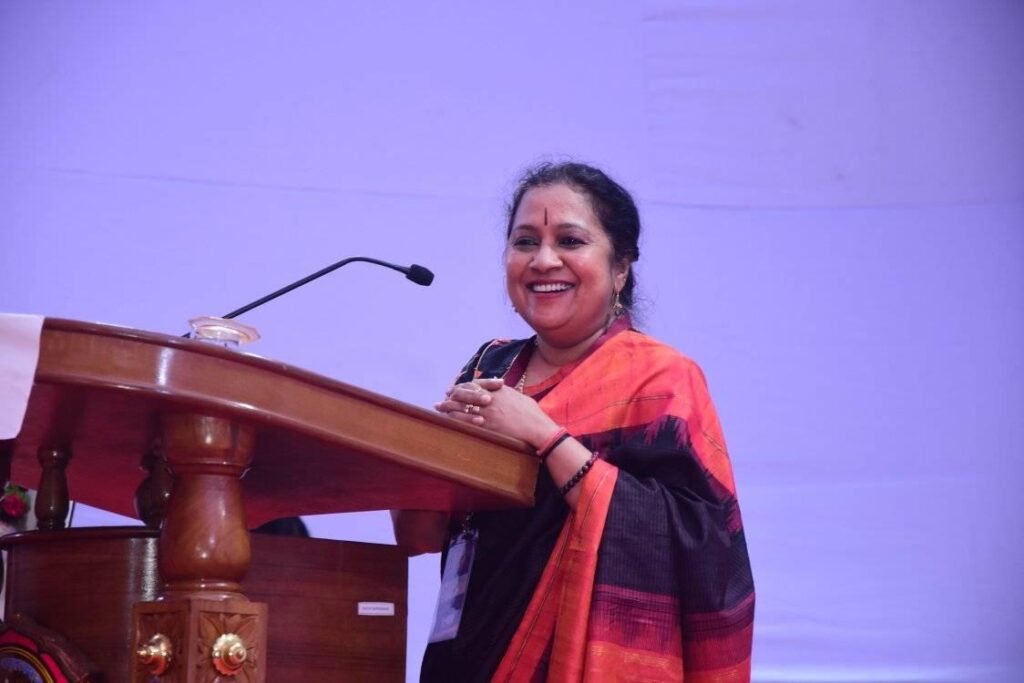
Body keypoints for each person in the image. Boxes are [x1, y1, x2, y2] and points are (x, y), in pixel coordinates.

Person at [392, 162, 754, 682]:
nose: (543, 260)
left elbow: (703, 550)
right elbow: (419, 536)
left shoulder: (660, 379)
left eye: (570, 240)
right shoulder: (489, 366)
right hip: (468, 649)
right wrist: (428, 452)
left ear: (621, 267)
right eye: (524, 242)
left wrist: (543, 436)